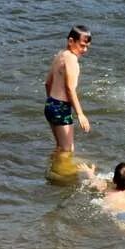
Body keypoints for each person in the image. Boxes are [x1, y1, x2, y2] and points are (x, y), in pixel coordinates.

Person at [44, 25, 92, 153]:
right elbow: (70, 89)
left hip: (50, 104)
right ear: (71, 41)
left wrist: (51, 103)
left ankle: (52, 169)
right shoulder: (71, 59)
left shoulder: (60, 55)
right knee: (67, 150)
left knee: (60, 147)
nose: (85, 50)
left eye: (87, 47)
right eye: (82, 45)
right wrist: (80, 114)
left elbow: (47, 83)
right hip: (61, 107)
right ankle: (61, 173)